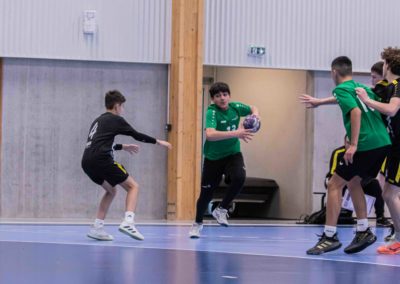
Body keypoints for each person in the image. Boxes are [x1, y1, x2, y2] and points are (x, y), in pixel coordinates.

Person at [304, 56, 391, 255]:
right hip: (382, 143)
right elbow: (348, 100)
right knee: (353, 182)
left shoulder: (341, 89)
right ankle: (363, 230)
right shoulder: (363, 88)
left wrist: (352, 144)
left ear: (334, 72)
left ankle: (329, 236)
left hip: (366, 143)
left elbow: (355, 111)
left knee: (334, 184)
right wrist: (321, 101)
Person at [82, 90, 172, 241]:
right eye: (122, 106)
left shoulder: (97, 121)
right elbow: (136, 135)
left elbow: (99, 144)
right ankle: (128, 222)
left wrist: (122, 147)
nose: (122, 110)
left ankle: (97, 227)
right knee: (133, 186)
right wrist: (158, 141)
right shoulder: (116, 119)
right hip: (101, 159)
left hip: (87, 161)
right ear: (117, 106)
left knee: (111, 191)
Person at [189, 82, 259, 238]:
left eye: (225, 94)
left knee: (240, 177)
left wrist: (255, 115)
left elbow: (253, 107)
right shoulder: (211, 112)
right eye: (218, 96)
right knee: (206, 194)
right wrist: (237, 133)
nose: (222, 98)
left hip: (232, 153)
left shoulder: (235, 107)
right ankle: (197, 223)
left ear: (229, 95)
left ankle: (221, 209)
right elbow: (210, 135)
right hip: (213, 158)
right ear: (213, 99)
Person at [356, 47, 400, 254]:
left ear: (388, 65)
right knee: (389, 193)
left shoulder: (399, 86)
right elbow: (355, 98)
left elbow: (392, 109)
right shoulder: (385, 87)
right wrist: (320, 102)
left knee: (391, 195)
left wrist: (367, 100)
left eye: (383, 63)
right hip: (393, 149)